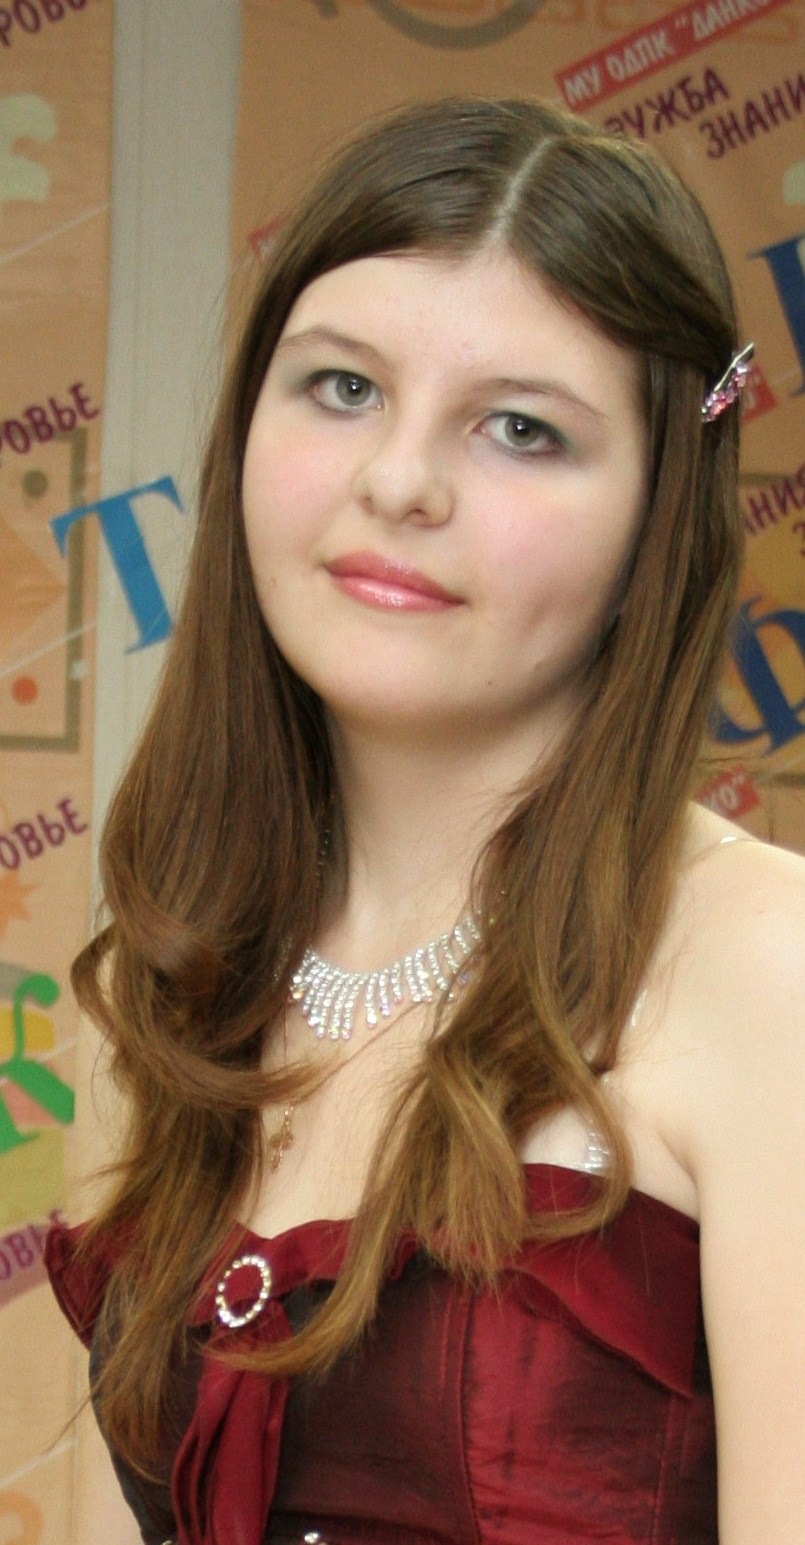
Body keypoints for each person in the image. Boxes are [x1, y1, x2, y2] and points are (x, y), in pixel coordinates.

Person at [46, 97, 805, 1545]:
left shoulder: (770, 967)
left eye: (521, 428)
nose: (398, 481)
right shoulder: (173, 974)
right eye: (342, 387)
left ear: (659, 511)